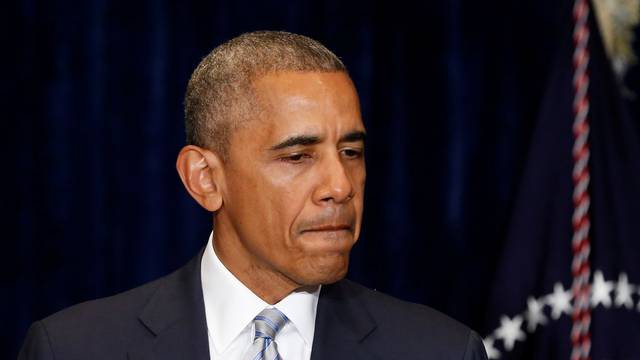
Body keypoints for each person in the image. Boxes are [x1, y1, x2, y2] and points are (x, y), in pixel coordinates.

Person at [18, 31, 488, 360]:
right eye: (298, 156)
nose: (341, 186)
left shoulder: (442, 350)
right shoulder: (74, 349)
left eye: (350, 151)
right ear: (205, 178)